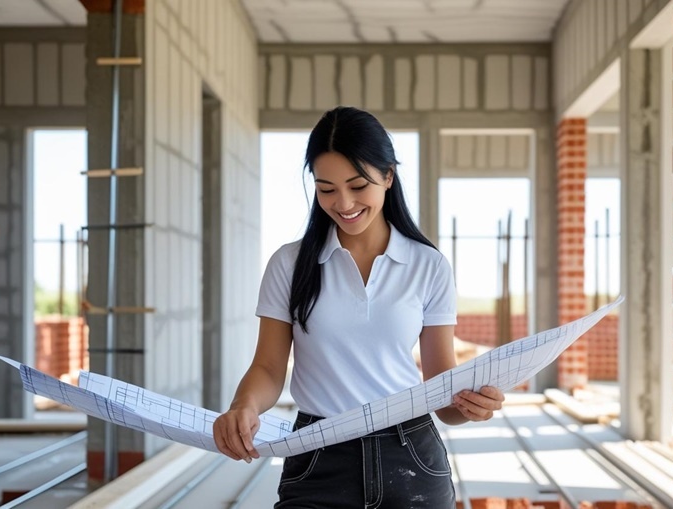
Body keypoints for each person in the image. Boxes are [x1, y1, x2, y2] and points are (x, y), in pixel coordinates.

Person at [212, 106, 505, 508]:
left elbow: (442, 393)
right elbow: (267, 367)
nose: (343, 202)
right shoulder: (289, 264)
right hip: (318, 456)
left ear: (388, 176)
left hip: (411, 456)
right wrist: (242, 405)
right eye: (326, 188)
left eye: (357, 185)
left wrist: (470, 406)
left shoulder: (428, 266)